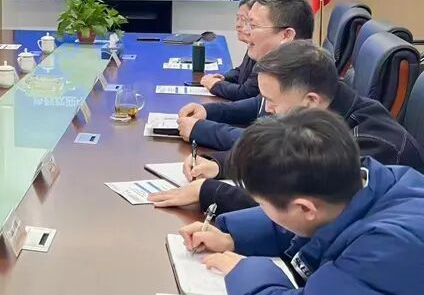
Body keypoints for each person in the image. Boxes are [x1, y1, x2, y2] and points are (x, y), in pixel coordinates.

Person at [151, 41, 424, 213]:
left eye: (272, 102)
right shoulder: (325, 113)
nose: (267, 110)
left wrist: (210, 192)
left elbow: (302, 207)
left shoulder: (370, 145)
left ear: (310, 101)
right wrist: (220, 164)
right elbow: (288, 160)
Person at [178, 108, 424, 295]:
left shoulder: (386, 249)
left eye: (263, 203)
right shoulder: (370, 182)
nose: (262, 208)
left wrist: (245, 271)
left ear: (305, 207)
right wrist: (233, 238)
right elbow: (314, 225)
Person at [178, 0, 314, 147]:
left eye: (253, 25)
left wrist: (203, 131)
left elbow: (273, 144)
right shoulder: (281, 67)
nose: (247, 31)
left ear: (286, 35)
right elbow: (258, 105)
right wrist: (207, 111)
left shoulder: (305, 78)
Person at [199, 0, 260, 100]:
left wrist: (216, 85)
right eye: (237, 19)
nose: (238, 25)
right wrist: (224, 77)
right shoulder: (253, 44)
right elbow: (241, 71)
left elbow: (246, 93)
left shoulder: (265, 50)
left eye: (244, 20)